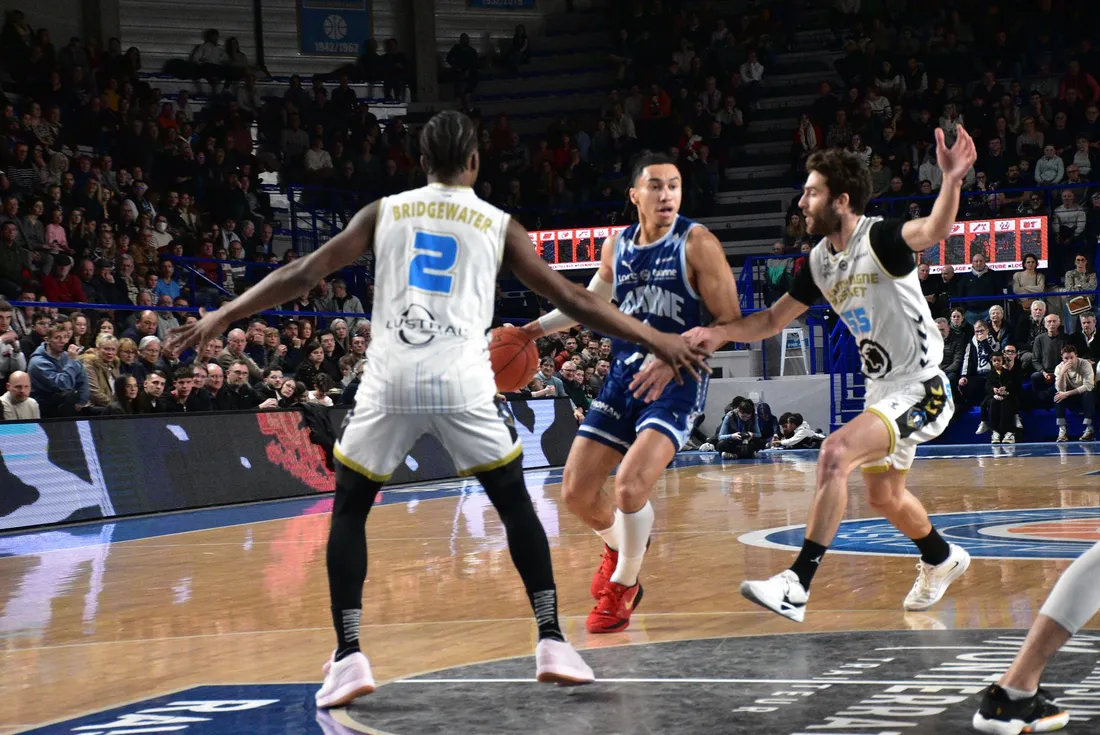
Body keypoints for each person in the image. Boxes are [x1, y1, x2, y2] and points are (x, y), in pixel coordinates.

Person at [167, 111, 708, 710]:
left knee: (350, 510)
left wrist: (225, 313)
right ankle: (552, 640)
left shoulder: (384, 212)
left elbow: (305, 272)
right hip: (462, 380)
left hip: (391, 377)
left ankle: (348, 655)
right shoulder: (498, 223)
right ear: (474, 162)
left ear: (421, 164)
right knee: (513, 505)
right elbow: (575, 298)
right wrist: (660, 338)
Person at [633, 128, 979, 623]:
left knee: (834, 452)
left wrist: (951, 181)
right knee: (885, 497)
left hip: (922, 386)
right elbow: (771, 320)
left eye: (812, 192)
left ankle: (797, 583)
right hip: (882, 391)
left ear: (841, 200)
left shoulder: (879, 238)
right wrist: (717, 334)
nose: (802, 201)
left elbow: (934, 230)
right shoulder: (818, 261)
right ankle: (942, 557)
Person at [521, 153, 740, 634]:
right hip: (623, 377)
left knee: (629, 487)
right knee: (576, 493)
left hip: (679, 379)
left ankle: (624, 584)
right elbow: (587, 305)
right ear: (635, 195)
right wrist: (528, 332)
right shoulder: (616, 245)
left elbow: (729, 323)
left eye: (675, 186)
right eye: (656, 186)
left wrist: (676, 350)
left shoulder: (698, 243)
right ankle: (621, 545)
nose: (666, 195)